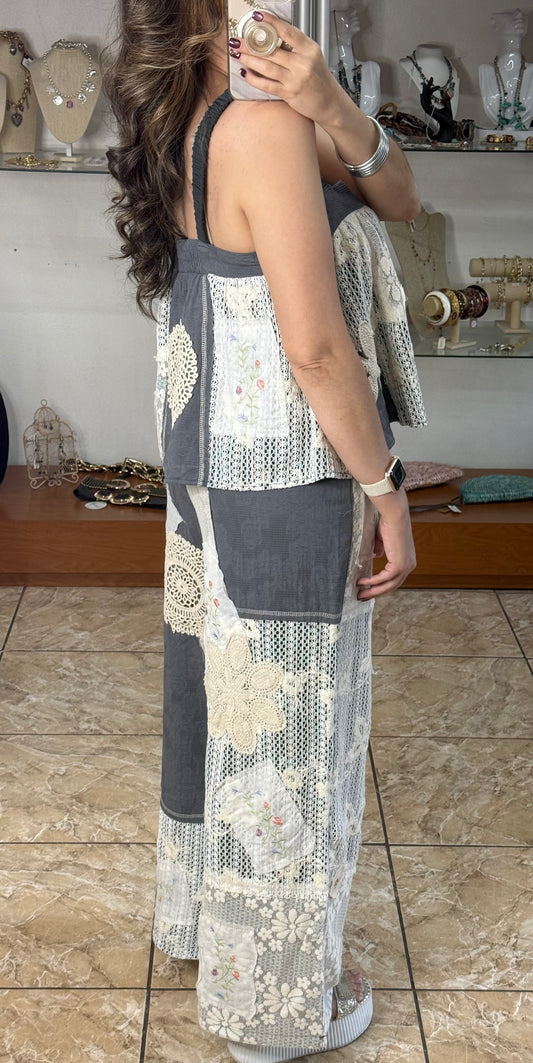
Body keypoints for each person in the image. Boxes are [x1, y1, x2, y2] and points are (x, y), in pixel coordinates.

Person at [106, 2, 426, 1060]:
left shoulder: (200, 111)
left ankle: (213, 929)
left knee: (223, 704)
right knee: (289, 733)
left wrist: (328, 98)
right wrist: (386, 486)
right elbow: (316, 347)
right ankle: (275, 1010)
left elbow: (400, 196)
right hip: (287, 471)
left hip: (211, 454)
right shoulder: (261, 129)